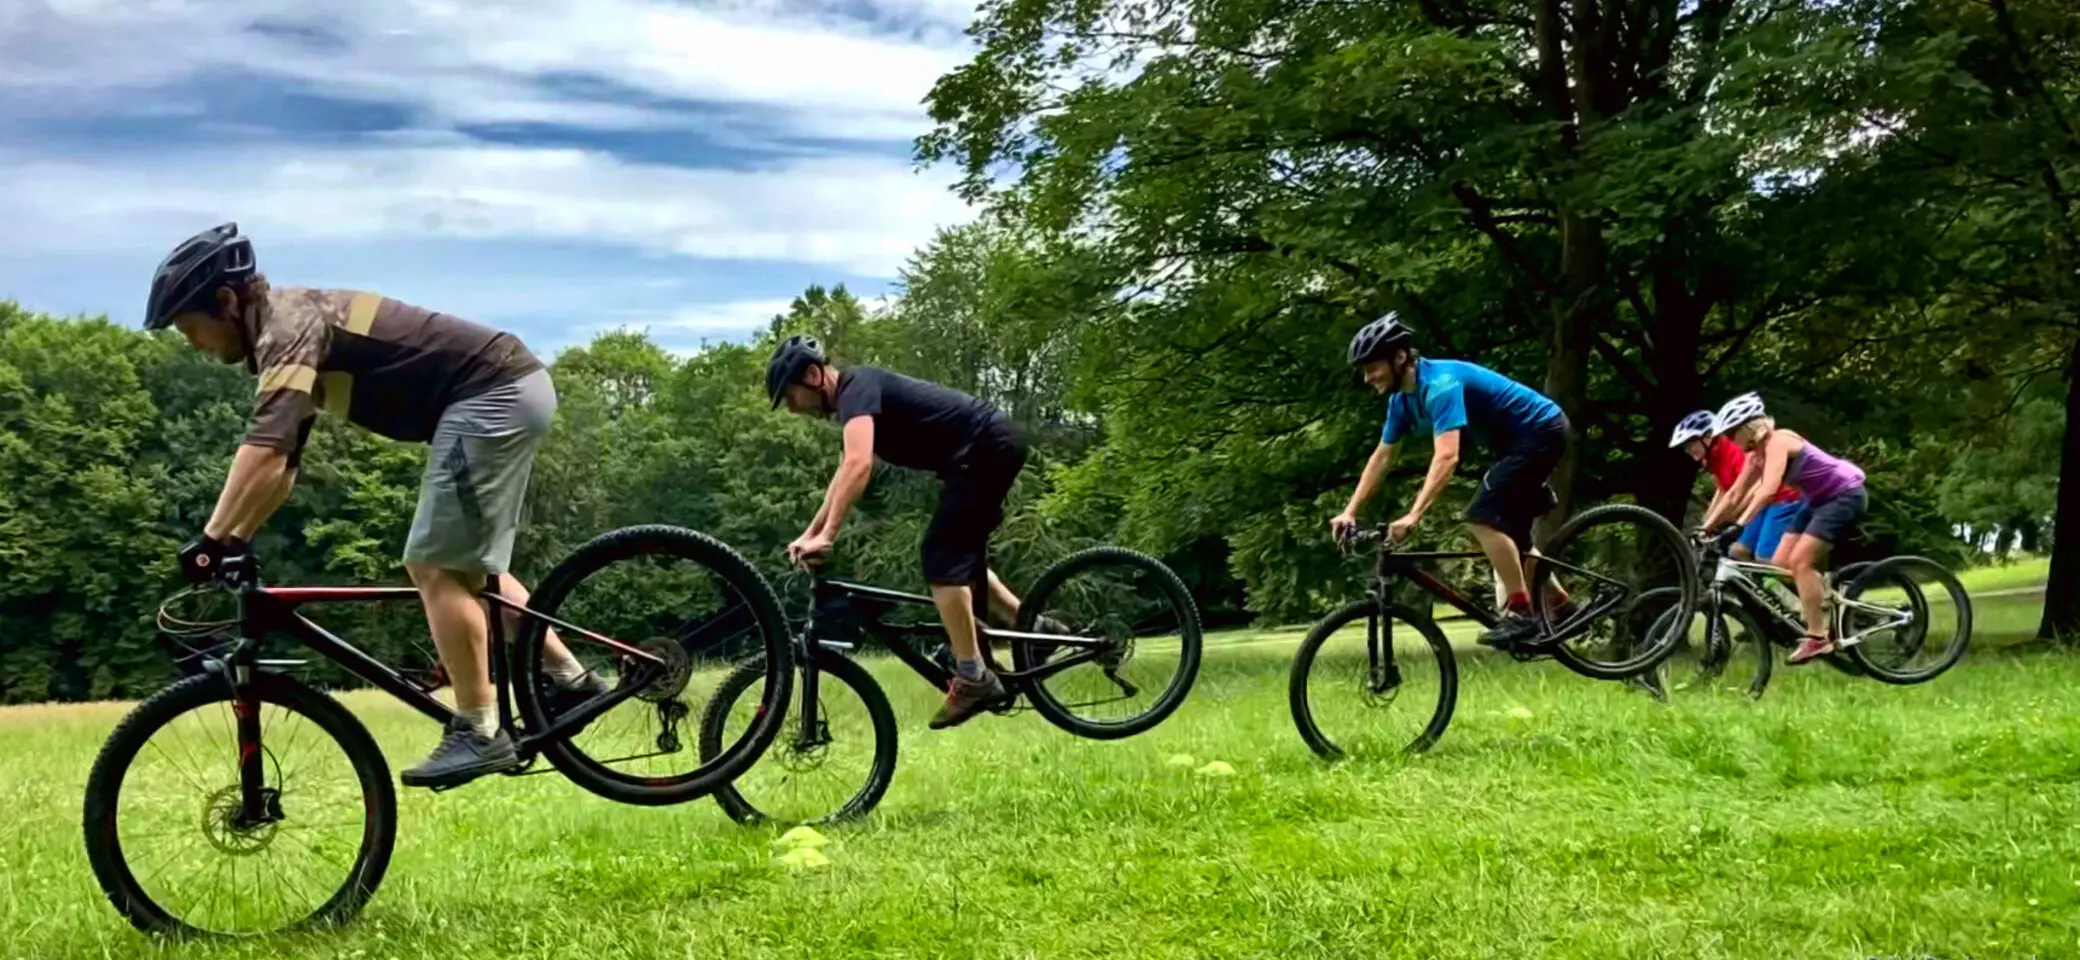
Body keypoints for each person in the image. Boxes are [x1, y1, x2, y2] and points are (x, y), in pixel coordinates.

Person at [145, 223, 604, 789]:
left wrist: (212, 541)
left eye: (191, 328)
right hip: (497, 390)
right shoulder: (285, 334)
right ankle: (569, 678)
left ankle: (481, 730)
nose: (193, 343)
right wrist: (235, 542)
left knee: (433, 564)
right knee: (464, 567)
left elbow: (261, 452)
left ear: (225, 301)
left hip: (492, 389)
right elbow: (282, 470)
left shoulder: (290, 326)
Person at [766, 335, 1038, 729]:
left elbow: (860, 465)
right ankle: (1032, 624)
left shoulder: (855, 388)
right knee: (960, 559)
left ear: (811, 376)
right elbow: (845, 474)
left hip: (985, 447)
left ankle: (974, 676)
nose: (791, 409)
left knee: (940, 559)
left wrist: (829, 536)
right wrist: (811, 532)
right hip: (986, 449)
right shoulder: (854, 402)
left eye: (788, 396)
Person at [1330, 313, 1570, 649]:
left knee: (1482, 517)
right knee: (1511, 534)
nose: (1367, 377)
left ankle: (1522, 616)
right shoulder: (1400, 402)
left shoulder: (1440, 385)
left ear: (1400, 357)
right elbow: (1383, 457)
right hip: (1510, 444)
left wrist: (1414, 514)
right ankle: (1562, 606)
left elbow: (1447, 456)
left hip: (1540, 429)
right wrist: (1350, 510)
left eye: (1372, 367)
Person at [1710, 392, 1868, 664]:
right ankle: (1827, 596)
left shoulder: (1779, 441)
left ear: (1747, 428)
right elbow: (1734, 493)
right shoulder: (1755, 455)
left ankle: (1817, 638)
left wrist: (1739, 524)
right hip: (1816, 500)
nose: (1727, 440)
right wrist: (1707, 527)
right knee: (1780, 562)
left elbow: (1768, 490)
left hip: (1844, 495)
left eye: (1731, 433)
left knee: (1800, 562)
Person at [1670, 409, 1804, 561]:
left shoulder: (1735, 450)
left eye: (1689, 444)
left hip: (1779, 499)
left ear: (1706, 438)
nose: (1687, 450)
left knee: (1765, 556)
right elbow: (1723, 491)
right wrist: (1707, 523)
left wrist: (1731, 517)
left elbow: (1756, 487)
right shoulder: (1713, 458)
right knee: (1738, 552)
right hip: (1761, 504)